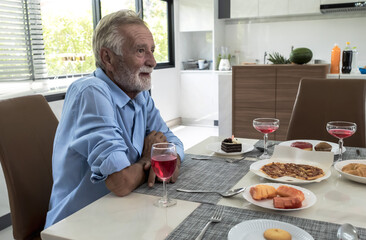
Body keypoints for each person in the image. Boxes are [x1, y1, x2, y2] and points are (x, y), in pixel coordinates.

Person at [44, 10, 184, 228]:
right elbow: (120, 182)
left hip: (125, 212)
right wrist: (150, 158)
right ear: (107, 58)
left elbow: (175, 144)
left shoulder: (140, 95)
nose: (153, 61)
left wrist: (164, 158)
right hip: (78, 224)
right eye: (140, 51)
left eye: (152, 51)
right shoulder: (91, 91)